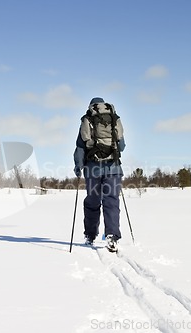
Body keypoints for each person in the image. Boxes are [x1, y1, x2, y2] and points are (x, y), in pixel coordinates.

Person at [73, 97, 126, 252]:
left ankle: (90, 235)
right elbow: (121, 146)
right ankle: (112, 235)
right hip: (113, 168)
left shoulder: (87, 120)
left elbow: (80, 147)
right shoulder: (114, 119)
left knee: (92, 202)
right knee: (111, 201)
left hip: (92, 170)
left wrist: (78, 166)